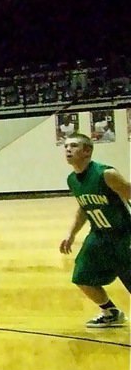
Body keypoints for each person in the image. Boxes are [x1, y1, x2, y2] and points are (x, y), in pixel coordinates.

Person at [59, 133, 131, 328]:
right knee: (82, 276)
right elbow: (84, 207)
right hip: (98, 235)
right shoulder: (72, 180)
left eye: (73, 146)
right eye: (65, 146)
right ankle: (111, 312)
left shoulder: (106, 174)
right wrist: (71, 234)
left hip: (124, 236)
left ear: (87, 151)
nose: (67, 150)